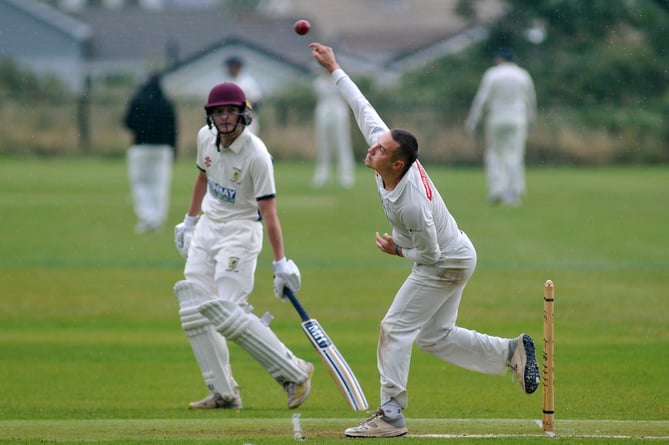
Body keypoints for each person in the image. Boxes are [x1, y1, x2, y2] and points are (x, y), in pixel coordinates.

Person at [310, 42, 541, 438]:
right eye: (376, 143)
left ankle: (391, 415)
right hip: (454, 255)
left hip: (444, 262)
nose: (372, 148)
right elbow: (361, 106)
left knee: (395, 328)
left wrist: (397, 249)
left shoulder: (411, 202)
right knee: (434, 338)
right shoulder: (388, 154)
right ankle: (510, 351)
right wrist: (334, 67)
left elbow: (431, 253)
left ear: (396, 163)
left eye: (380, 149)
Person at [172, 82, 313, 411]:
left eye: (230, 111)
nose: (224, 118)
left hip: (240, 232)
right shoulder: (204, 137)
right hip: (208, 227)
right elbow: (202, 178)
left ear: (243, 114)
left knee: (227, 312)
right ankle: (224, 393)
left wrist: (281, 264)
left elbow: (270, 213)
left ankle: (294, 372)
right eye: (218, 112)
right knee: (193, 307)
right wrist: (190, 222)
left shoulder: (257, 155)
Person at [465, 48, 537, 207]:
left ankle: (496, 190)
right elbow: (530, 100)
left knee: (494, 154)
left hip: (496, 118)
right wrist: (532, 121)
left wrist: (472, 121)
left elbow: (482, 99)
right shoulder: (522, 75)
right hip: (518, 119)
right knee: (514, 155)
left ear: (499, 59)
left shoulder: (493, 74)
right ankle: (513, 193)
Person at [123, 73, 177, 233]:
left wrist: (142, 128)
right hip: (163, 148)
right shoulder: (167, 103)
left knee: (140, 183)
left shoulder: (138, 100)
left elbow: (127, 122)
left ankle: (146, 216)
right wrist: (174, 150)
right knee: (160, 184)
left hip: (140, 147)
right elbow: (174, 129)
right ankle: (158, 219)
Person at [312, 71, 355, 188]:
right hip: (324, 111)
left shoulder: (341, 80)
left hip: (339, 111)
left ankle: (346, 175)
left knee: (343, 143)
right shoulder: (319, 81)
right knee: (323, 145)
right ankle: (323, 175)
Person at [224, 56, 262, 134]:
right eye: (230, 66)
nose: (231, 69)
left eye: (233, 66)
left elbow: (256, 103)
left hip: (246, 120)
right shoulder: (226, 82)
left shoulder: (248, 83)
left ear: (238, 67)